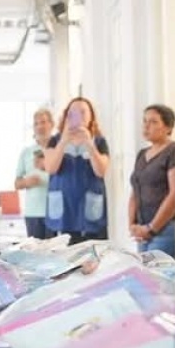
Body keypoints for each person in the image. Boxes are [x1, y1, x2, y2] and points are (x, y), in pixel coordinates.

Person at [42, 97, 110, 245]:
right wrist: (64, 141)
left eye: (83, 112)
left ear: (91, 116)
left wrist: (89, 145)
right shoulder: (55, 141)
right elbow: (51, 168)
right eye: (72, 112)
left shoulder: (99, 142)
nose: (78, 116)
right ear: (66, 117)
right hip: (62, 213)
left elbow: (101, 171)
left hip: (89, 213)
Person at [129, 105, 175, 258]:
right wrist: (133, 226)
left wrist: (152, 228)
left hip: (166, 230)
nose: (147, 126)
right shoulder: (142, 154)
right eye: (145, 121)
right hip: (142, 232)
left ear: (168, 127)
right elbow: (135, 192)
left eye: (153, 122)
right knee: (146, 278)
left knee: (160, 278)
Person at [14, 108, 53, 239]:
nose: (39, 126)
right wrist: (26, 182)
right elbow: (17, 183)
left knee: (57, 254)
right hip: (32, 213)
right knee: (35, 255)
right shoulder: (26, 152)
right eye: (36, 124)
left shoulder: (59, 150)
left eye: (43, 122)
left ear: (51, 124)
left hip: (55, 212)